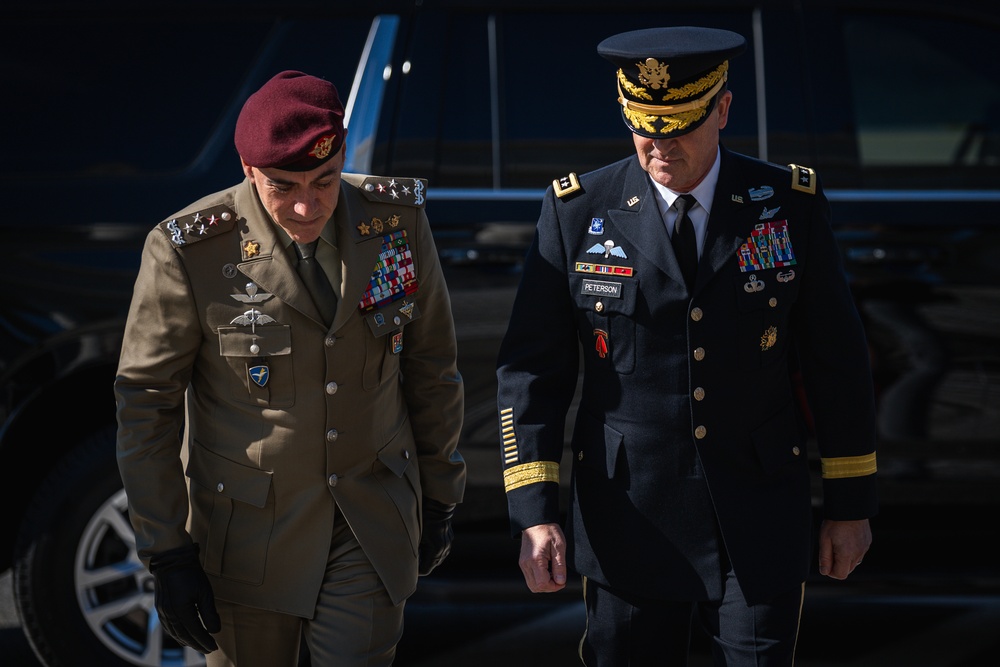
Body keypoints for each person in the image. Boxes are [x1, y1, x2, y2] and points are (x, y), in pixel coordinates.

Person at [495, 27, 877, 666]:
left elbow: (837, 363)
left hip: (757, 511)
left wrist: (850, 503)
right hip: (630, 516)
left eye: (679, 125)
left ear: (723, 110)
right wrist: (533, 511)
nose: (659, 144)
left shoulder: (786, 205)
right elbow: (532, 372)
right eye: (644, 126)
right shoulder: (577, 210)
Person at [115, 70, 466, 667]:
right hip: (247, 535)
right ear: (249, 171)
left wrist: (441, 494)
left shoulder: (395, 221)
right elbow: (147, 401)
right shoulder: (190, 249)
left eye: (324, 181)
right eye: (282, 186)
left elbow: (432, 365)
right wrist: (166, 550)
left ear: (345, 158)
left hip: (370, 513)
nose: (307, 205)